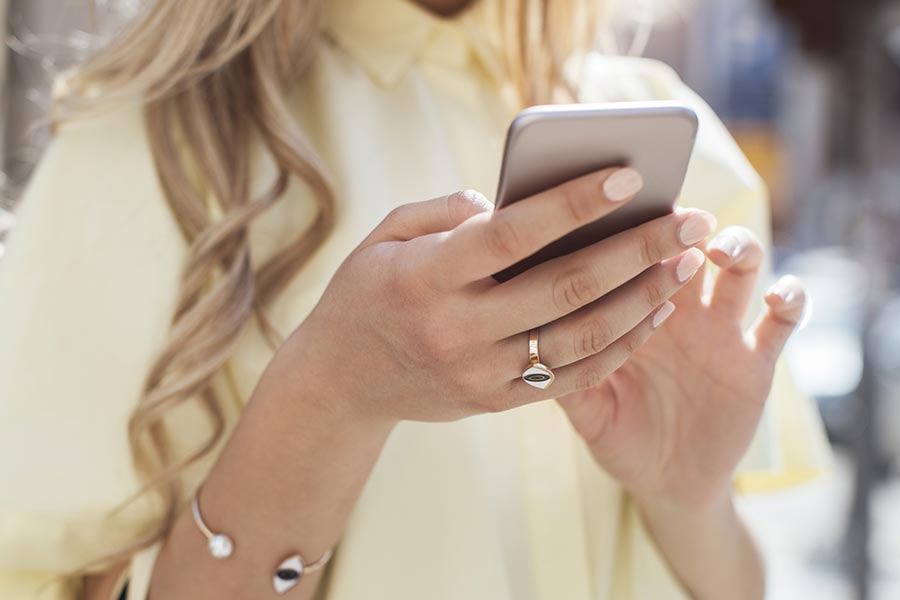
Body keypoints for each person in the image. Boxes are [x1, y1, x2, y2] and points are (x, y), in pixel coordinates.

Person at [0, 0, 828, 598]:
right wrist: (329, 397)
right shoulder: (154, 144)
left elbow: (743, 582)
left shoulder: (675, 139)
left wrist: (687, 499)